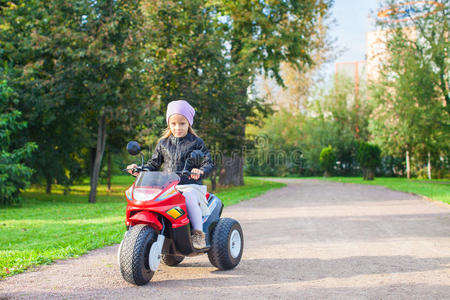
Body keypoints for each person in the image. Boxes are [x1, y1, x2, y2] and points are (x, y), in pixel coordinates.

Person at [127, 100, 214, 249]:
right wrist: (140, 169)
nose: (177, 127)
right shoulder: (163, 143)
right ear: (169, 124)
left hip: (189, 185)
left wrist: (200, 171)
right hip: (167, 186)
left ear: (189, 124)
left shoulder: (197, 142)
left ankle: (198, 233)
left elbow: (208, 163)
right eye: (173, 124)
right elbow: (153, 164)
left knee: (190, 197)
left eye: (182, 123)